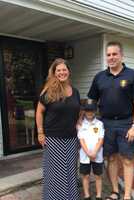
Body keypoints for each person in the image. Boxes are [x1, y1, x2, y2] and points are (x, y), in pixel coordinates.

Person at [88, 41, 134, 200]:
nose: (111, 57)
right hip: (105, 123)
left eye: (114, 54)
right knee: (110, 158)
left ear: (121, 55)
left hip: (126, 123)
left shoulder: (133, 76)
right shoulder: (99, 77)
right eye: (108, 55)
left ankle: (127, 195)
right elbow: (91, 100)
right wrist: (86, 122)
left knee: (127, 159)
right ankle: (115, 191)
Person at [36, 58, 80, 200]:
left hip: (72, 139)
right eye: (58, 70)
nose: (62, 72)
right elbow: (39, 112)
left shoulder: (76, 92)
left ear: (69, 71)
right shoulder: (49, 92)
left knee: (71, 171)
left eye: (64, 69)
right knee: (55, 173)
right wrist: (40, 132)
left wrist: (79, 125)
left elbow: (78, 111)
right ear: (54, 73)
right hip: (54, 139)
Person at [78, 99, 104, 200]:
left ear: (95, 111)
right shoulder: (81, 124)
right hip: (85, 156)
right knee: (86, 176)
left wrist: (94, 152)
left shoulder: (99, 124)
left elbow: (100, 139)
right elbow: (81, 140)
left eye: (92, 110)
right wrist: (88, 153)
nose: (89, 112)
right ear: (84, 111)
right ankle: (87, 195)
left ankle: (98, 196)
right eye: (87, 110)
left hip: (97, 155)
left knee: (98, 176)